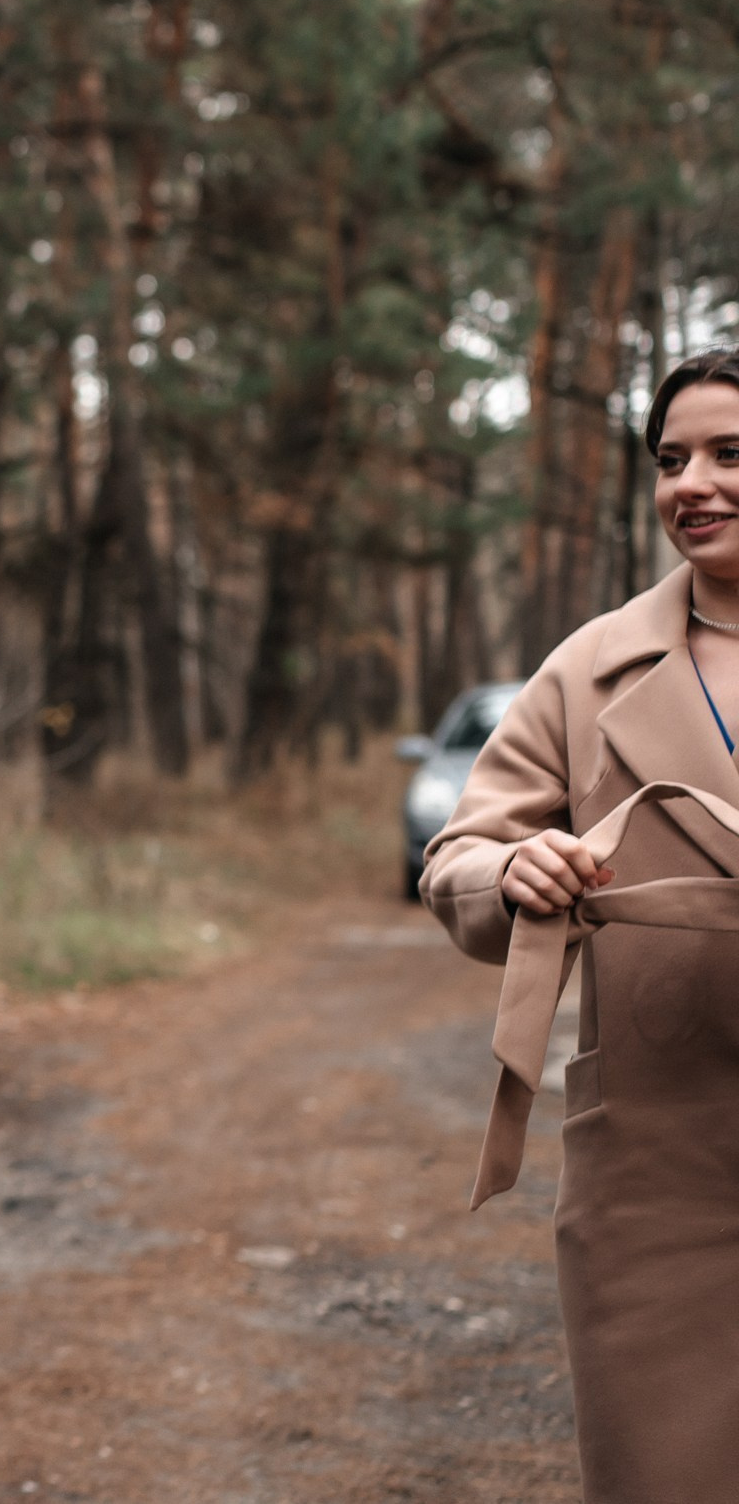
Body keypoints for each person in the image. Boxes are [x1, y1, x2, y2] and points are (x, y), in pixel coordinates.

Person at [422, 345, 739, 1502]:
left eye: (727, 452)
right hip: (659, 1164)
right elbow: (453, 859)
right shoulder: (588, 670)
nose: (690, 483)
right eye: (670, 459)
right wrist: (518, 866)